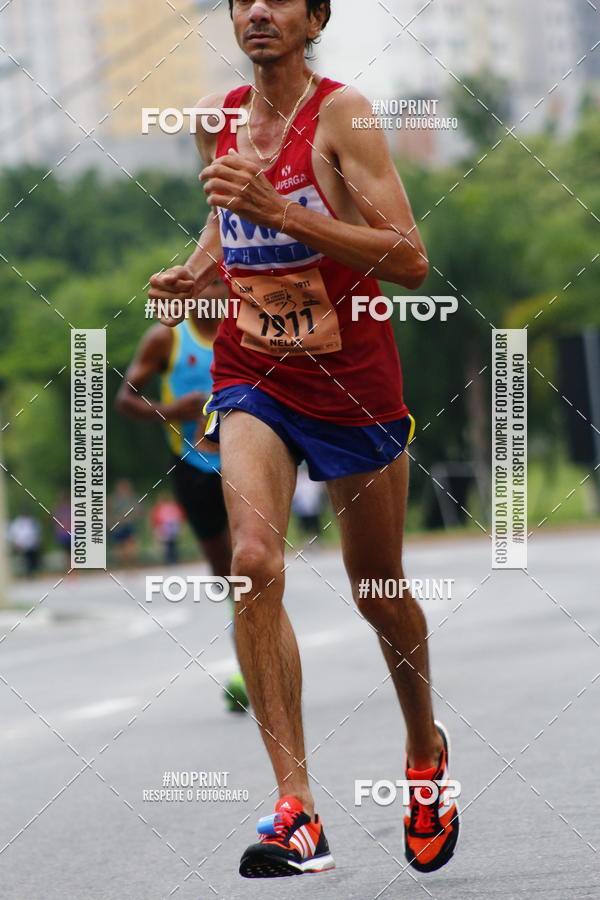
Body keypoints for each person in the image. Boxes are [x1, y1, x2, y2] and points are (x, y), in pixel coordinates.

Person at [148, 0, 459, 878]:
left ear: (316, 15)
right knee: (253, 558)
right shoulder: (222, 119)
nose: (257, 11)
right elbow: (227, 219)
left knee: (379, 592)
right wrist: (198, 270)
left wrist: (281, 213)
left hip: (353, 383)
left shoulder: (342, 115)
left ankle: (424, 753)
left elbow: (406, 258)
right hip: (253, 374)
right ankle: (298, 811)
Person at [116, 280, 249, 712]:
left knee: (254, 559)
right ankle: (249, 652)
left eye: (220, 285)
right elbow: (125, 399)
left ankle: (253, 664)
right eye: (204, 286)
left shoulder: (245, 325)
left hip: (247, 462)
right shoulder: (166, 337)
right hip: (192, 467)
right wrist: (169, 412)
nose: (213, 295)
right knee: (225, 573)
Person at [108, 479, 140, 568]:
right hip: (119, 526)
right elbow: (109, 512)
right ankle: (124, 565)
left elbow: (137, 511)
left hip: (130, 525)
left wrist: (131, 518)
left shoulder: (132, 498)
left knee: (132, 546)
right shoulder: (113, 499)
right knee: (120, 547)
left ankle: (131, 565)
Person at [150, 493, 184, 565]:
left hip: (167, 528)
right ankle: (172, 560)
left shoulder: (163, 508)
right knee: (170, 545)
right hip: (168, 528)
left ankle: (170, 560)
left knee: (169, 545)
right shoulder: (171, 507)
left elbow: (157, 519)